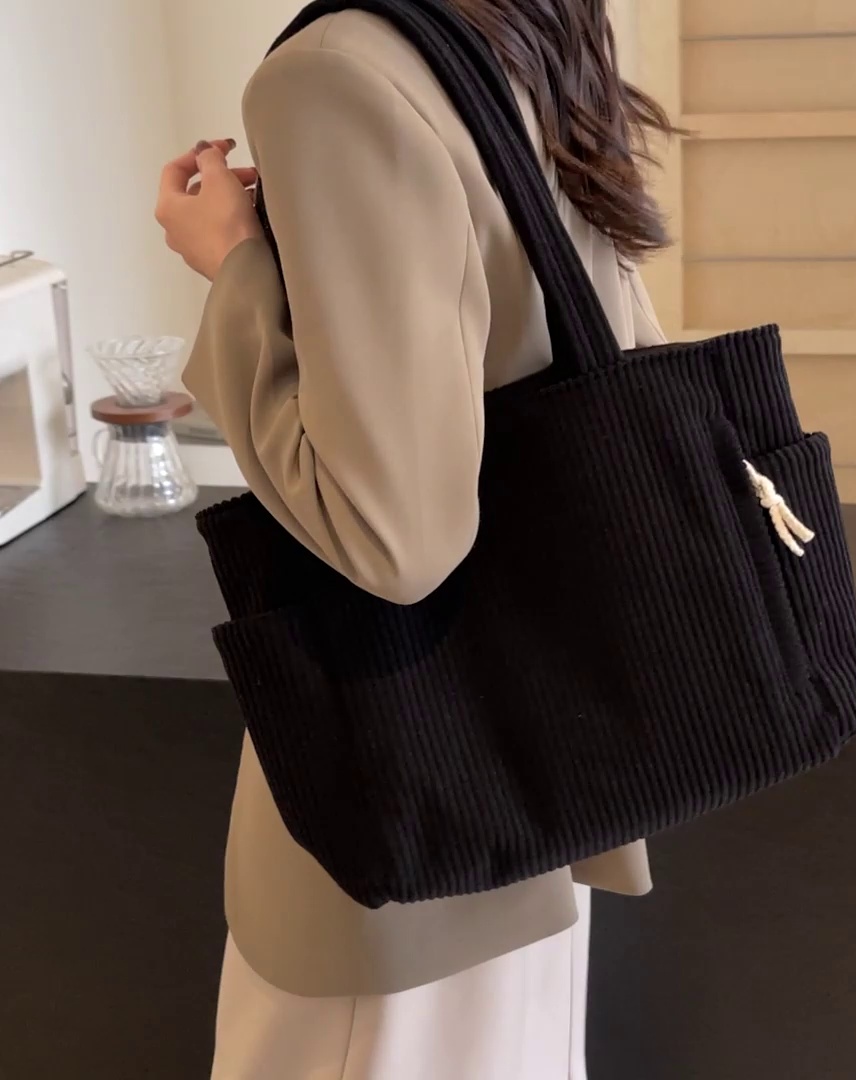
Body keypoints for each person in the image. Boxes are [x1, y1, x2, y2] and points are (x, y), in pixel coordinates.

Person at [155, 3, 674, 1077]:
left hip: (410, 815)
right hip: (552, 770)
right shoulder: (524, 24)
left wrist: (235, 269)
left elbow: (393, 538)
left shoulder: (332, 73)